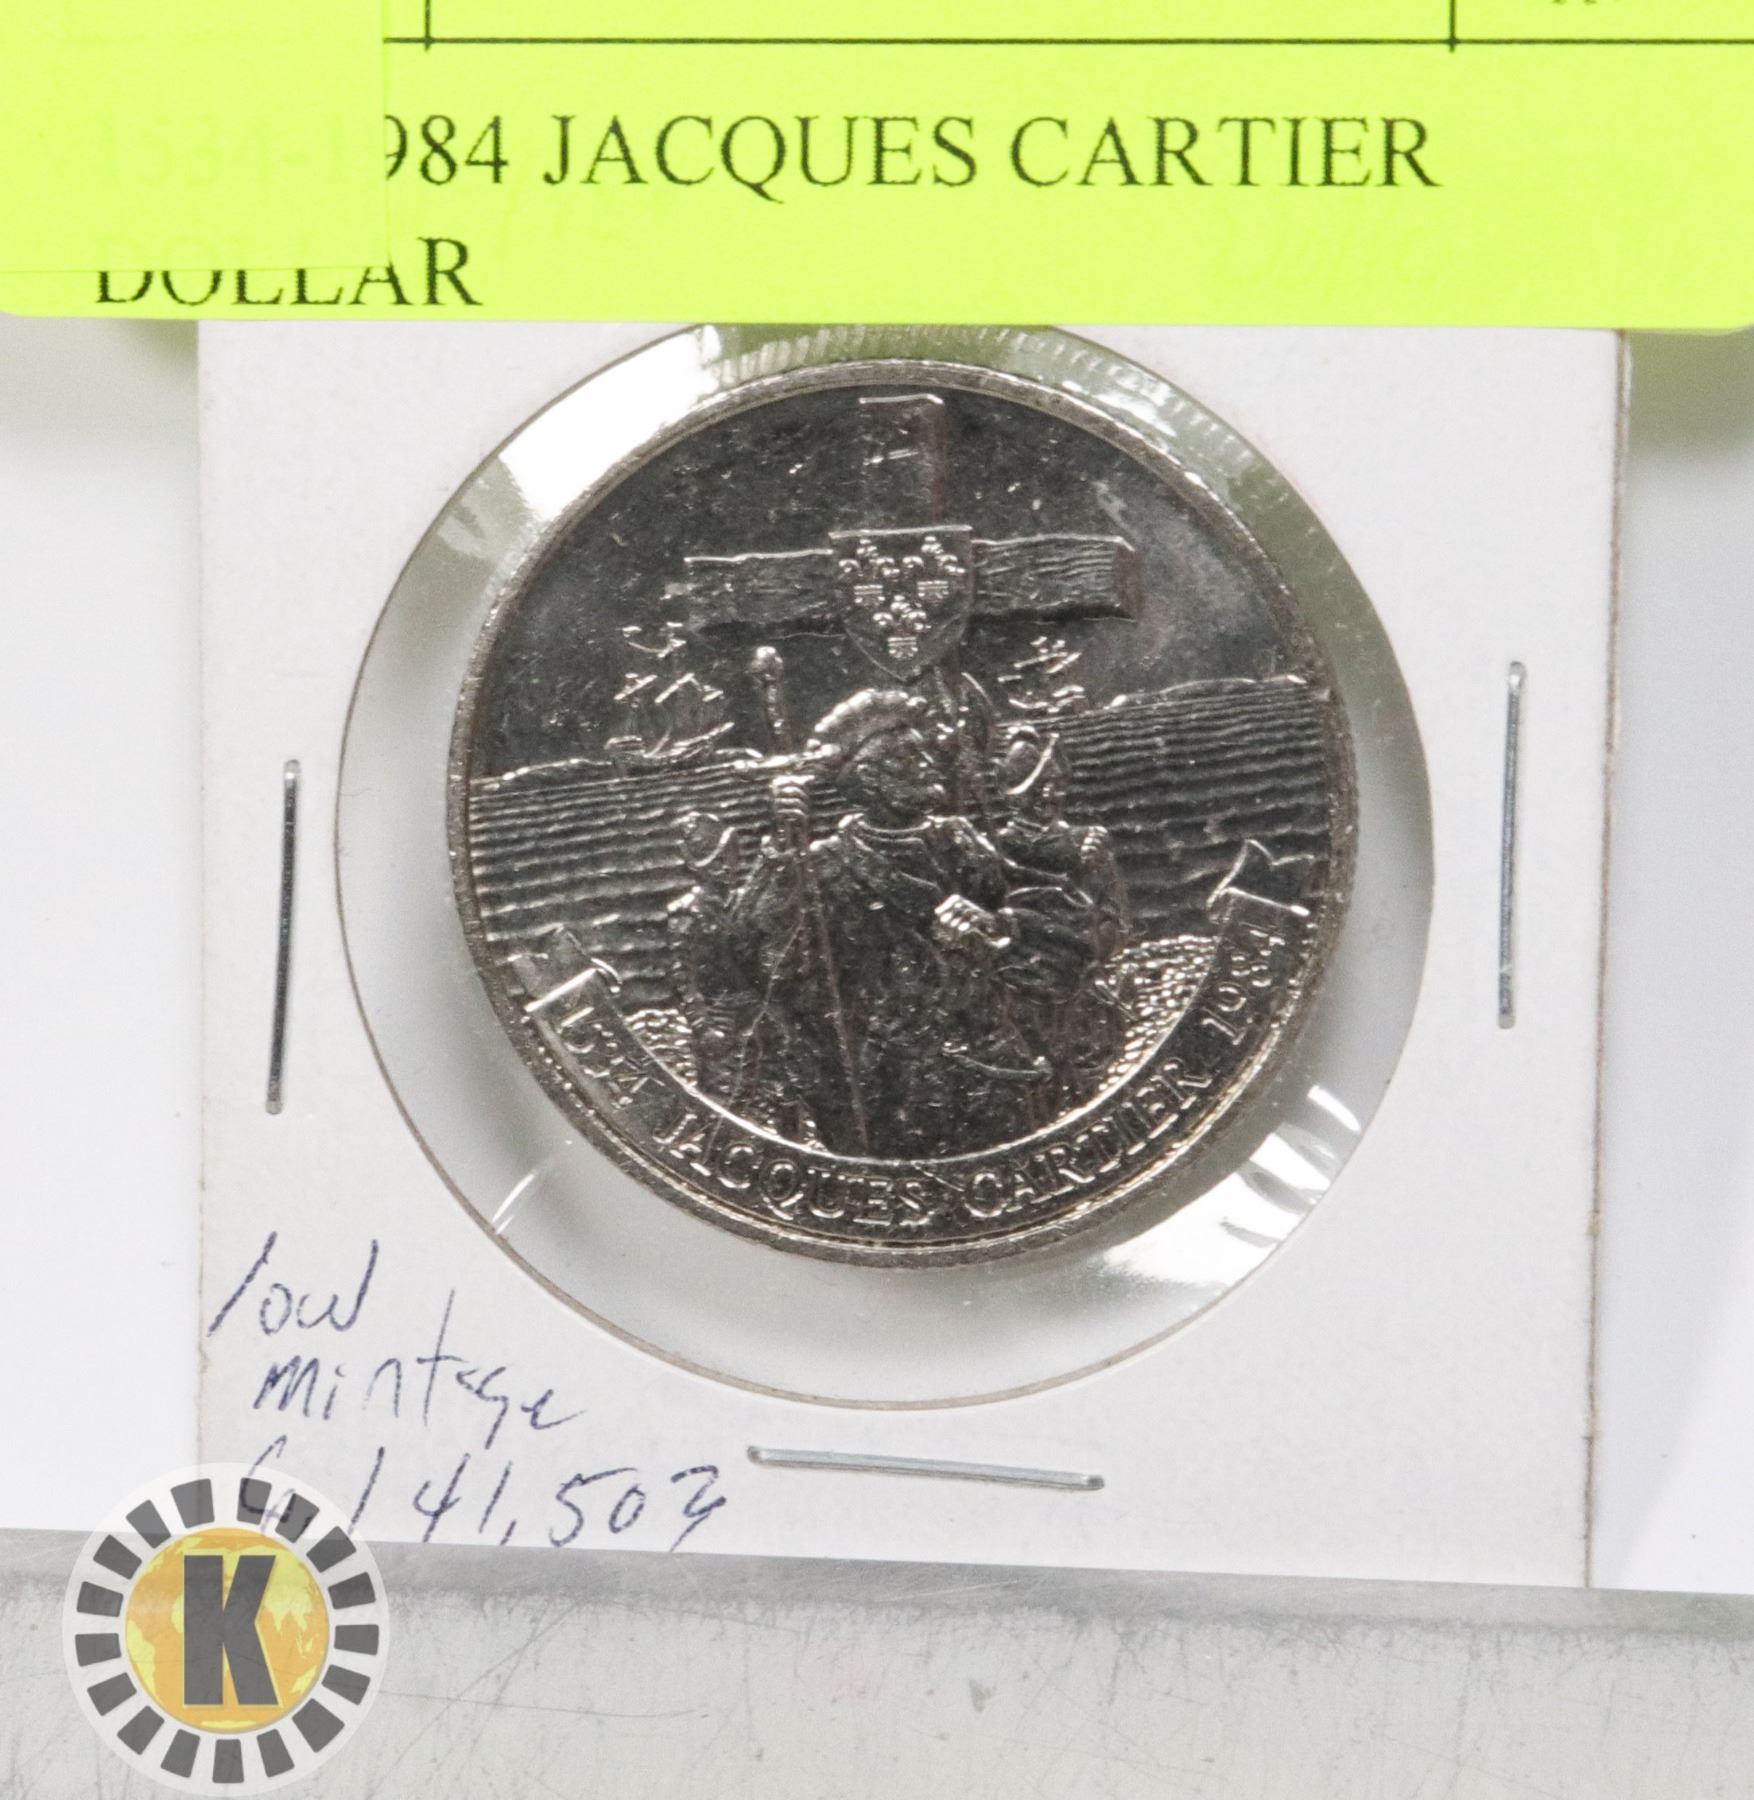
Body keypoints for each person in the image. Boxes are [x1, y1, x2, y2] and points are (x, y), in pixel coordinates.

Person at [715, 689, 1039, 1157]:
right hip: (883, 1080)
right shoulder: (825, 864)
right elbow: (747, 951)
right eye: (910, 758)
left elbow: (1035, 911)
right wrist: (782, 847)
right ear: (871, 777)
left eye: (925, 753)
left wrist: (993, 925)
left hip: (981, 1059)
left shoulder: (958, 840)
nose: (929, 765)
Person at [993, 730, 1131, 1122]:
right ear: (1014, 793)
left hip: (1078, 979)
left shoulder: (1087, 841)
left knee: (1086, 1073)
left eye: (1055, 784)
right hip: (1020, 985)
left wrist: (1094, 945)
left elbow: (1113, 913)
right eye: (1037, 787)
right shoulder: (994, 847)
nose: (1049, 795)